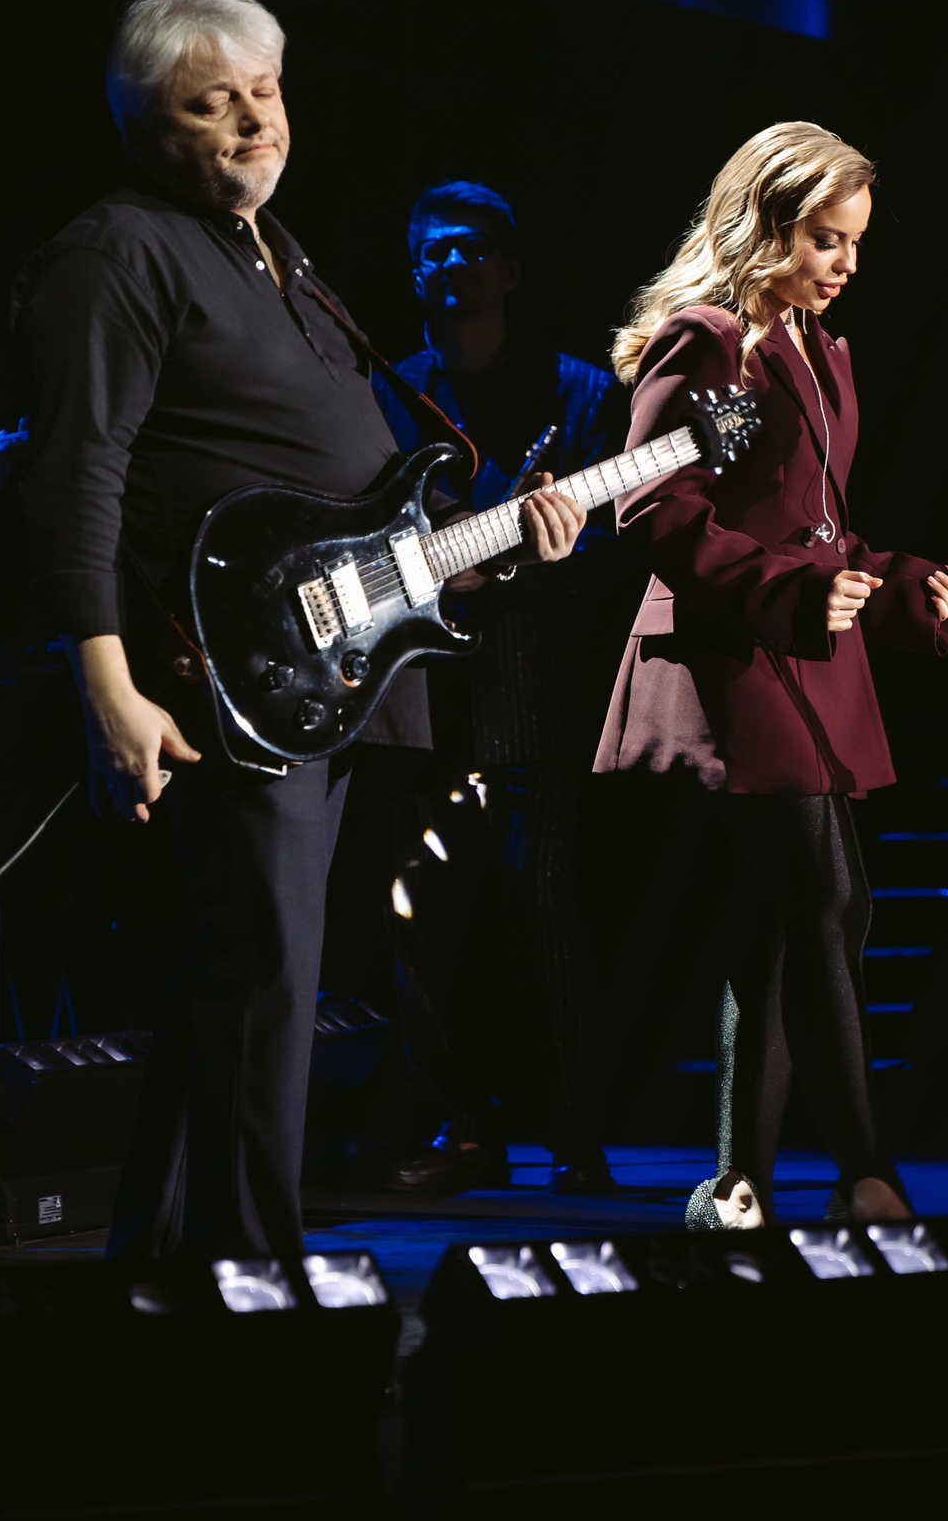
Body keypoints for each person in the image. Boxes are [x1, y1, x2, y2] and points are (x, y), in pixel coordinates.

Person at [14, 0, 584, 1258]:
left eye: (263, 94)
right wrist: (108, 688)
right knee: (262, 980)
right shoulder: (115, 254)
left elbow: (369, 502)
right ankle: (255, 1282)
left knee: (238, 987)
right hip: (222, 678)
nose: (248, 126)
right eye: (207, 106)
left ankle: (166, 1273)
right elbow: (74, 483)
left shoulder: (290, 263)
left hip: (326, 670)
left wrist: (491, 546)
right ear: (140, 126)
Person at [594, 121, 948, 1229]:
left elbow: (819, 529)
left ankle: (736, 1185)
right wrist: (789, 592)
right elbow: (651, 507)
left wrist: (909, 586)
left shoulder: (822, 349)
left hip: (802, 651)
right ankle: (867, 1173)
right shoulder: (705, 341)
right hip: (730, 654)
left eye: (854, 241)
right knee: (828, 898)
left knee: (785, 919)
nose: (846, 263)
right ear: (764, 228)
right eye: (825, 239)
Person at [341, 180, 630, 1197]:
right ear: (415, 271)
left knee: (539, 910)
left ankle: (575, 1132)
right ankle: (458, 1125)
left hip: (531, 695)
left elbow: (613, 553)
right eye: (436, 252)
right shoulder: (383, 390)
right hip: (412, 696)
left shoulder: (582, 393)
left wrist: (505, 562)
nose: (455, 266)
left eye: (474, 250)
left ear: (509, 267)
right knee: (419, 926)